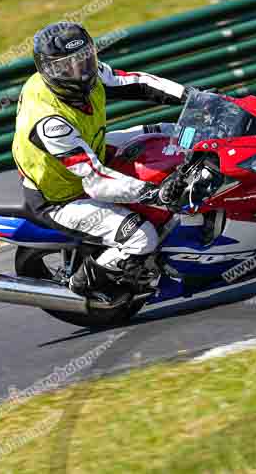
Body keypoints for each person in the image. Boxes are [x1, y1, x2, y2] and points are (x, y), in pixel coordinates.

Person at [12, 21, 187, 303]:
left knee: (169, 132)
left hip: (92, 148)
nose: (79, 72)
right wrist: (157, 193)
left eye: (84, 59)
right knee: (141, 237)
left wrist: (190, 95)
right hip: (62, 196)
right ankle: (85, 283)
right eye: (65, 67)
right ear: (47, 71)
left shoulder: (90, 74)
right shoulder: (49, 121)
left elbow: (135, 82)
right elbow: (96, 181)